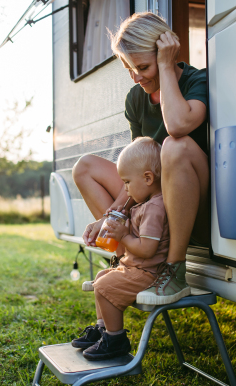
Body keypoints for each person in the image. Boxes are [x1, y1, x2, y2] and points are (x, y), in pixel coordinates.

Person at [73, 12, 209, 304]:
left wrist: (165, 67)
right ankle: (131, 263)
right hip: (155, 199)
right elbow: (136, 168)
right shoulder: (136, 98)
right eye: (129, 69)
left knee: (174, 146)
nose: (136, 77)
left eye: (143, 66)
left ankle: (173, 269)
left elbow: (177, 126)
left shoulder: (198, 80)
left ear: (166, 53)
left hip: (193, 202)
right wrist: (112, 217)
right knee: (85, 167)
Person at [73, 137, 185, 361]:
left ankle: (115, 340)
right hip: (136, 268)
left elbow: (147, 249)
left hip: (148, 274)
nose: (124, 189)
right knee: (102, 277)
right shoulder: (145, 203)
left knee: (104, 286)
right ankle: (103, 329)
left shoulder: (154, 208)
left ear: (147, 178)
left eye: (126, 182)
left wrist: (123, 236)